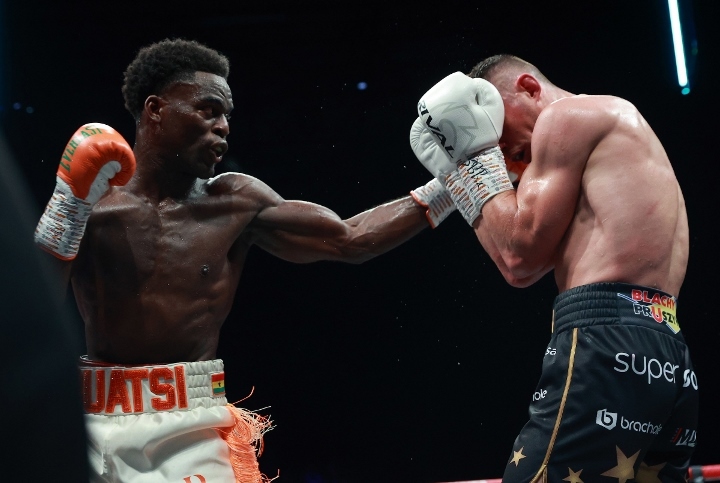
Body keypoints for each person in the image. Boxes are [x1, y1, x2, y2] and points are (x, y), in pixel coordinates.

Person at [33, 38, 459, 483]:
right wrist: (68, 206)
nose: (223, 127)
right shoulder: (94, 206)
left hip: (191, 427)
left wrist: (455, 182)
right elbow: (29, 312)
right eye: (208, 110)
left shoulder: (236, 202)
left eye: (227, 116)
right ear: (155, 109)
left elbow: (351, 239)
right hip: (94, 422)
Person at [410, 55, 697, 483]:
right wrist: (460, 176)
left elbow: (518, 251)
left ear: (528, 88)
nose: (499, 148)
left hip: (605, 344)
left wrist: (469, 159)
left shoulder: (565, 117)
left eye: (493, 125)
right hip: (668, 354)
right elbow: (518, 270)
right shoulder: (616, 132)